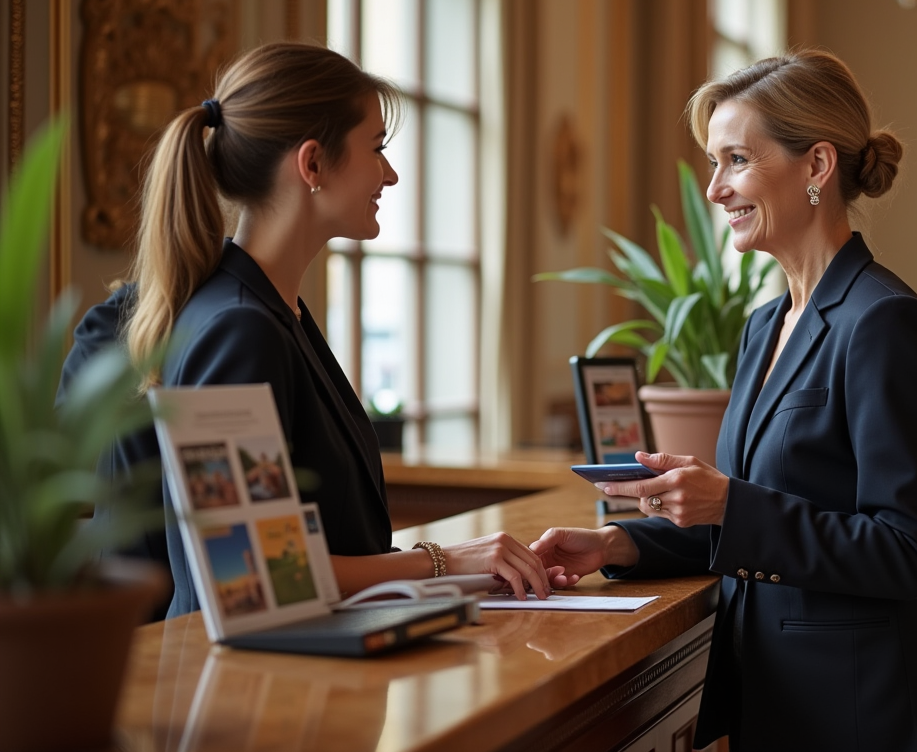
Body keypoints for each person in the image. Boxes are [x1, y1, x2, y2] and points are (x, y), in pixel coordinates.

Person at [534, 50, 917, 751]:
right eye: (715, 163)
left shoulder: (883, 322)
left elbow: (903, 550)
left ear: (817, 166)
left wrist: (729, 504)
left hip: (859, 713)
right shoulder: (764, 326)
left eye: (735, 160)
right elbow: (752, 514)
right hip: (776, 701)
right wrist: (620, 543)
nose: (715, 189)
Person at [60, 42, 554, 619]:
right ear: (313, 164)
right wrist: (441, 562)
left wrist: (450, 570)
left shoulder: (271, 311)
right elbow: (253, 570)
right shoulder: (240, 329)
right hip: (258, 672)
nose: (390, 174)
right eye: (377, 149)